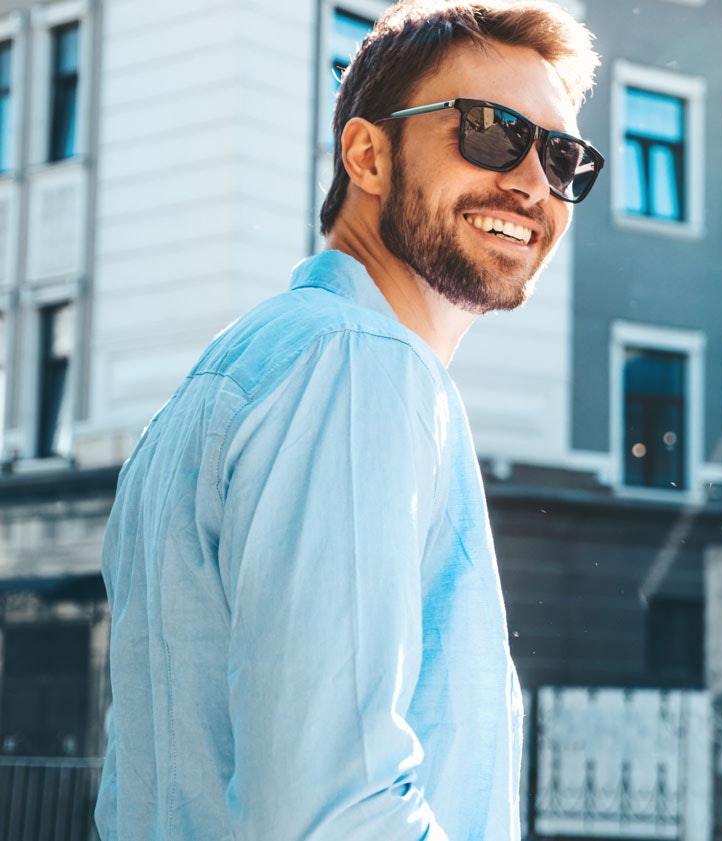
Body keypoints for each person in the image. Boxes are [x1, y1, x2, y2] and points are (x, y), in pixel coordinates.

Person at [95, 1, 602, 838]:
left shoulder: (231, 376)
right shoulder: (360, 365)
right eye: (490, 132)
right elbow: (336, 809)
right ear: (368, 154)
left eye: (563, 158)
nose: (530, 183)